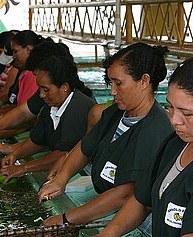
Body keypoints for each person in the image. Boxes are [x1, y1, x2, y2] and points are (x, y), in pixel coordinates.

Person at [95, 54, 193, 237]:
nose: (174, 120)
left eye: (187, 113)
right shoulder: (178, 142)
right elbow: (141, 200)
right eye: (170, 107)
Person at [37, 42, 174, 227]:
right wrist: (61, 179)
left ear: (144, 81)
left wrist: (66, 219)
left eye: (119, 83)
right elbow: (84, 148)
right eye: (111, 83)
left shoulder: (155, 128)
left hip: (131, 220)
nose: (112, 91)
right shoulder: (115, 114)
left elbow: (124, 194)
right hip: (104, 200)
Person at [0, 56, 95, 182]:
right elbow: (37, 141)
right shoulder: (50, 106)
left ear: (64, 87)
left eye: (46, 90)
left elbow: (63, 153)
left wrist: (24, 168)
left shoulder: (78, 108)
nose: (41, 95)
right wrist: (15, 154)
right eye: (39, 88)